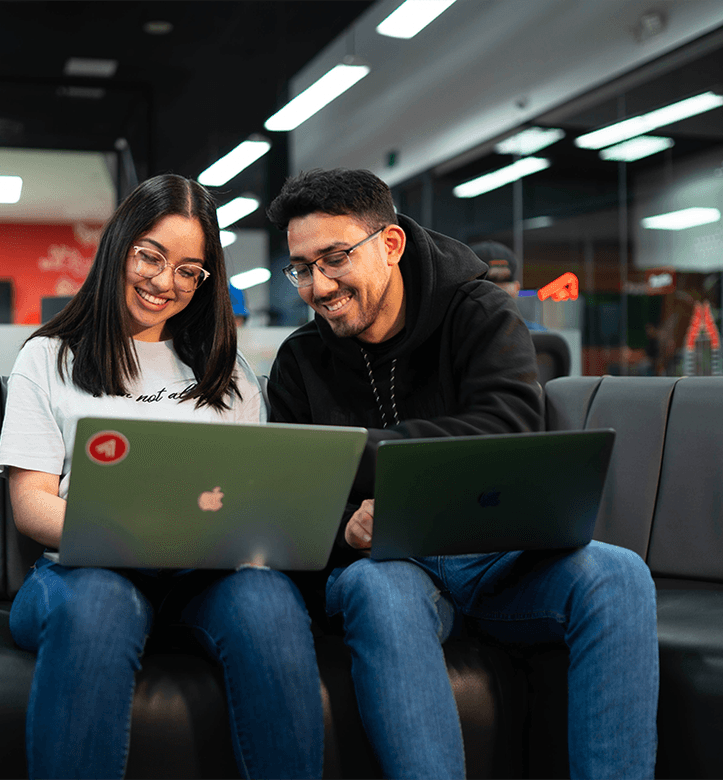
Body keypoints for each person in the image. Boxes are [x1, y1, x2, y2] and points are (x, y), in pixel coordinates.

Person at [265, 168, 658, 779]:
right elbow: (289, 494)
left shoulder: (479, 312)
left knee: (618, 573)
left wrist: (357, 457)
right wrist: (348, 527)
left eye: (335, 258)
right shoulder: (300, 361)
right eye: (301, 267)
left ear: (389, 245)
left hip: (497, 559)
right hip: (385, 567)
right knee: (379, 588)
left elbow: (508, 427)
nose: (318, 285)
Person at [0, 174, 322, 779]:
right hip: (87, 573)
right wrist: (135, 534)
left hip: (204, 577)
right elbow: (32, 506)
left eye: (189, 270)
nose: (163, 282)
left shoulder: (229, 374)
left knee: (270, 604)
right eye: (151, 255)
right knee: (98, 608)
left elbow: (253, 499)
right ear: (120, 245)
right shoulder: (48, 357)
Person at [469, 239, 547, 330]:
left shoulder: (539, 337)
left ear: (516, 287)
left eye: (504, 280)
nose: (496, 290)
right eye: (488, 281)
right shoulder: (536, 336)